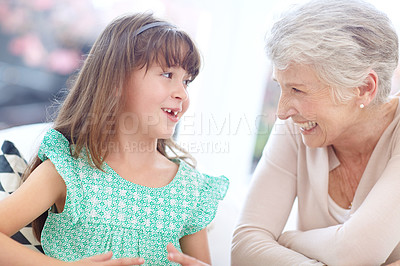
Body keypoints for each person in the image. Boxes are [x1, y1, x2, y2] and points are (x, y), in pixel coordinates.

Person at [0, 13, 229, 265]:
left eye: (187, 81)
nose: (182, 93)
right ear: (116, 81)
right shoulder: (68, 171)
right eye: (167, 75)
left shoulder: (191, 190)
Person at [231, 0, 400, 265]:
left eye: (297, 90)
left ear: (364, 87)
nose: (283, 111)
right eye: (281, 87)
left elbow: (356, 252)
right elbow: (245, 246)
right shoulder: (297, 127)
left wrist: (288, 240)